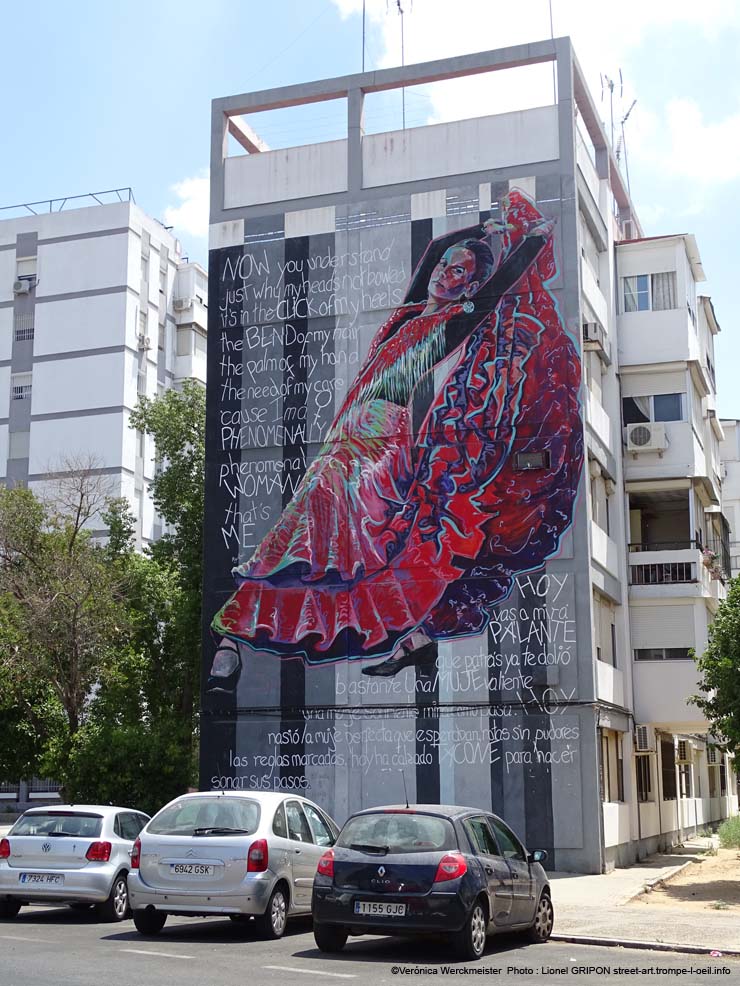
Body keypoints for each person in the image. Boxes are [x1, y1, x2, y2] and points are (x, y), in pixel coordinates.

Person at [207, 190, 583, 689]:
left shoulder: (455, 322)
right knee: (314, 531)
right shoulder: (404, 318)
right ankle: (406, 642)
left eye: (460, 272)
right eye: (444, 266)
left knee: (325, 514)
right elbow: (430, 257)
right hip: (346, 435)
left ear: (472, 284)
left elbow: (500, 287)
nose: (446, 274)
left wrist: (528, 241)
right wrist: (475, 233)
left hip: (386, 438)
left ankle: (232, 639)